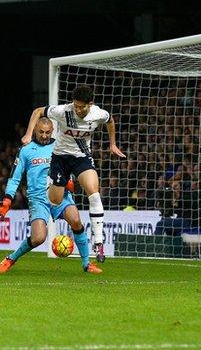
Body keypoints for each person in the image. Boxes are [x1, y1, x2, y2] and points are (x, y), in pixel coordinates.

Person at [21, 85, 126, 262]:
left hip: (81, 158)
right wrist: (28, 134)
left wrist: (113, 144)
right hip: (60, 158)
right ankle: (54, 185)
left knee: (94, 193)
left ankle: (99, 242)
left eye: (81, 107)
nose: (77, 109)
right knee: (55, 200)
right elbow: (38, 111)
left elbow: (110, 121)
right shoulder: (63, 111)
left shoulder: (98, 113)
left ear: (90, 104)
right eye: (75, 105)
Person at [0, 117, 102, 274]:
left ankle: (86, 263)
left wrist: (71, 180)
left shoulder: (61, 146)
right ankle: (11, 258)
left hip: (60, 194)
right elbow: (14, 178)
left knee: (76, 220)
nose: (44, 135)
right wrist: (7, 201)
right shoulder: (26, 150)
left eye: (48, 132)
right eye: (41, 132)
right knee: (38, 238)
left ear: (53, 131)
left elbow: (71, 166)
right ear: (35, 129)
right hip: (38, 199)